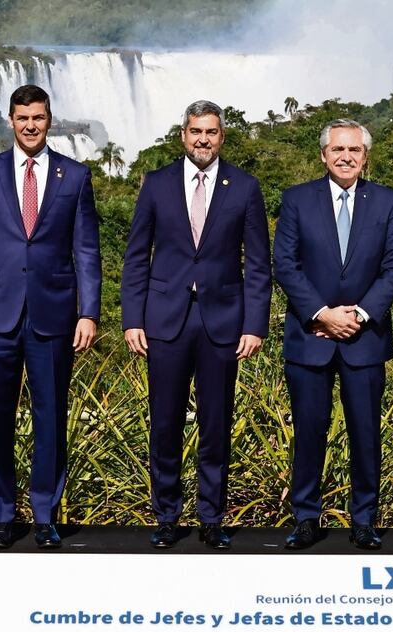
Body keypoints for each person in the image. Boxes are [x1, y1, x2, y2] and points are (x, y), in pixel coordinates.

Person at [0, 85, 101, 549]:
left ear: (49, 119)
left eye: (38, 117)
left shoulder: (74, 176)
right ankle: (1, 515)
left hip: (55, 315)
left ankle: (44, 515)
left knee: (51, 418)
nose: (31, 125)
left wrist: (88, 312)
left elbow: (86, 251)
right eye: (22, 118)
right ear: (10, 121)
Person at [121, 100, 271, 550]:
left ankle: (211, 517)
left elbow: (259, 265)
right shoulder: (157, 184)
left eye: (210, 132)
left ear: (221, 136)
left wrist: (255, 324)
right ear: (182, 135)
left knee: (215, 425)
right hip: (163, 322)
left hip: (222, 323)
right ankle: (166, 516)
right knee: (164, 424)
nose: (202, 139)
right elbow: (135, 258)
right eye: (195, 131)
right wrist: (132, 319)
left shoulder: (244, 187)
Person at [274, 119, 393, 550]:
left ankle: (364, 520)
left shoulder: (386, 201)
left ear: (365, 156)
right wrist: (322, 314)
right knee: (309, 431)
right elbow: (286, 265)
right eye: (338, 149)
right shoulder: (296, 199)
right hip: (310, 336)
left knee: (365, 433)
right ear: (323, 155)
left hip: (364, 340)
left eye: (354, 150)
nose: (346, 156)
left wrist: (360, 315)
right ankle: (305, 518)